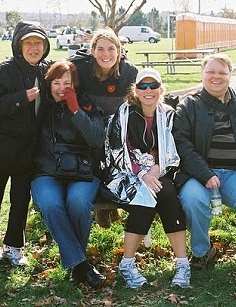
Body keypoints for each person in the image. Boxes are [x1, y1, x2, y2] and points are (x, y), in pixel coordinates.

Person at [173, 53, 236, 294]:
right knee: (193, 200)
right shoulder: (189, 105)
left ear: (230, 75)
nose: (216, 77)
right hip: (199, 174)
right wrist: (204, 173)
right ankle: (202, 251)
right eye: (211, 72)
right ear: (202, 74)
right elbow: (182, 143)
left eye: (222, 72)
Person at [0, 21, 51, 266]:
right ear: (18, 45)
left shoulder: (47, 71)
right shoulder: (3, 70)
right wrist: (21, 98)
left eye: (38, 42)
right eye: (28, 43)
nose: (34, 48)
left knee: (20, 201)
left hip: (28, 152)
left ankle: (15, 247)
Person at [102, 68, 189, 289]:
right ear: (136, 90)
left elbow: (171, 152)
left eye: (153, 86)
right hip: (123, 174)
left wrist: (154, 171)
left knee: (167, 193)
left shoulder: (169, 114)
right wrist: (141, 174)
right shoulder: (123, 114)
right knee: (144, 197)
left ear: (161, 89)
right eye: (143, 86)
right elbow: (115, 151)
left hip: (159, 172)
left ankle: (182, 264)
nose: (148, 91)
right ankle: (127, 264)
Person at [31, 60, 106, 289]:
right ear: (49, 84)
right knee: (50, 204)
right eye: (56, 82)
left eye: (67, 82)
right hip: (46, 171)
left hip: (83, 171)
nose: (62, 87)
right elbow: (13, 125)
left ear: (75, 84)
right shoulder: (40, 106)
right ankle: (81, 265)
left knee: (78, 201)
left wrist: (76, 110)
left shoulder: (86, 104)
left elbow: (96, 138)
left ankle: (76, 265)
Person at [70, 28, 138, 228]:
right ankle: (102, 207)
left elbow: (135, 104)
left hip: (117, 128)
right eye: (100, 49)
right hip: (88, 126)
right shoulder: (80, 68)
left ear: (119, 51)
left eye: (111, 49)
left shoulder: (129, 71)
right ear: (92, 51)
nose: (105, 54)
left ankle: (111, 205)